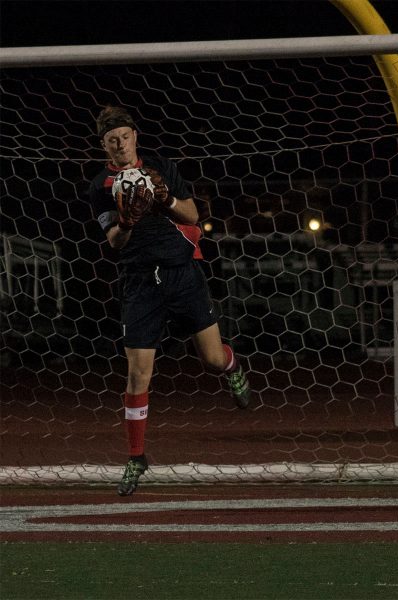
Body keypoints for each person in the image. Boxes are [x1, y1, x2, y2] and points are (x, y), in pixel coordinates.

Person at [87, 106, 252, 496]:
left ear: (135, 136)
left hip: (182, 273)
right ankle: (135, 457)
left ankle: (233, 368)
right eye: (112, 139)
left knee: (212, 359)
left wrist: (164, 199)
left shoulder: (162, 166)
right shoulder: (100, 186)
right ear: (103, 146)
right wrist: (127, 219)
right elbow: (113, 242)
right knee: (137, 374)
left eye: (124, 136)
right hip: (140, 283)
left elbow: (193, 216)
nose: (120, 143)